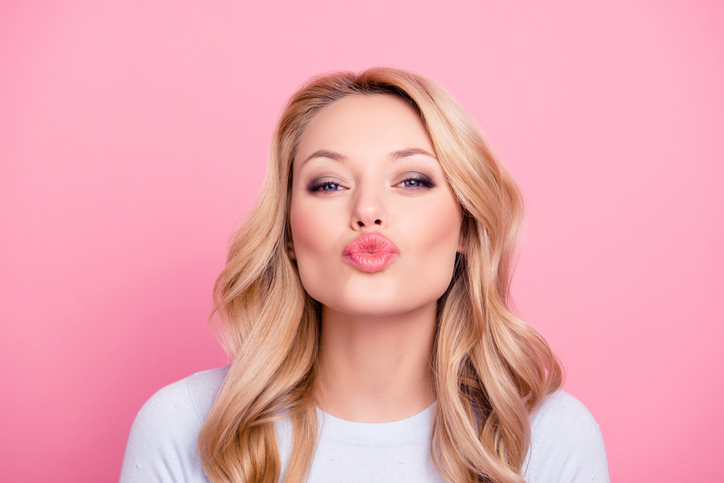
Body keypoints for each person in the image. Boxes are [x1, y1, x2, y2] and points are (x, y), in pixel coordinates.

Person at [119, 67, 609, 483]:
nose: (368, 210)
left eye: (412, 181)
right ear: (288, 235)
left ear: (466, 224)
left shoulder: (547, 436)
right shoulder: (186, 425)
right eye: (329, 184)